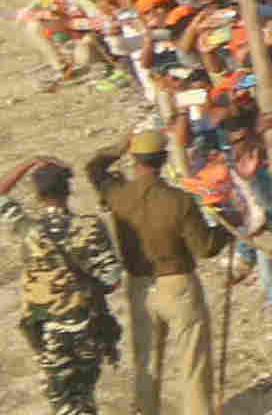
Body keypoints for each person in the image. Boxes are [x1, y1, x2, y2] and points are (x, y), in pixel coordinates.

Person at [87, 128, 220, 415]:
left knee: (146, 362)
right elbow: (205, 247)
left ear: (134, 159)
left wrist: (119, 145)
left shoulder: (117, 195)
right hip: (178, 283)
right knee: (193, 363)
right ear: (163, 159)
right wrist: (225, 230)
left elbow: (94, 167)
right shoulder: (179, 200)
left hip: (139, 286)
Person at [0, 154, 123, 415]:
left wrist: (29, 162)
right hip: (89, 324)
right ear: (68, 190)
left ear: (37, 193)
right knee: (85, 397)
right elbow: (113, 279)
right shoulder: (89, 226)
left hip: (48, 331)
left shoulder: (28, 229)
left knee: (63, 403)